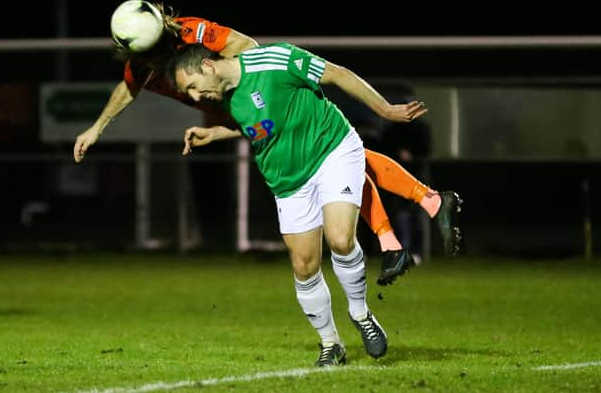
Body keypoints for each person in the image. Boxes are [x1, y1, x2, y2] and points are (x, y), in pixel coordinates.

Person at [72, 1, 462, 286]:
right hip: (245, 114)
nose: (154, 62)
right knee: (345, 159)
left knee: (340, 155)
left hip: (265, 99)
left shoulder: (192, 33)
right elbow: (128, 88)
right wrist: (97, 128)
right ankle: (424, 207)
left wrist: (261, 95)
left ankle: (395, 237)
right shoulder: (141, 64)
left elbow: (246, 46)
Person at [166, 41, 426, 365]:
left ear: (207, 66)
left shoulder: (274, 59)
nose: (193, 97)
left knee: (341, 238)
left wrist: (385, 110)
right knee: (304, 265)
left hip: (332, 150)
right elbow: (265, 124)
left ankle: (361, 315)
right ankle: (331, 343)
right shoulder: (227, 98)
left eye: (191, 87)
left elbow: (337, 74)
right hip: (288, 180)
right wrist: (220, 133)